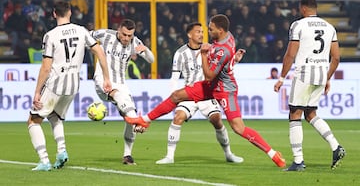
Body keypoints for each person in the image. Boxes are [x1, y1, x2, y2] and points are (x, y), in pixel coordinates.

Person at [125, 14, 286, 168]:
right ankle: (144, 120)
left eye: (211, 29)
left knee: (238, 128)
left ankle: (272, 153)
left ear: (220, 30)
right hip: (211, 86)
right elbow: (221, 67)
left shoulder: (223, 50)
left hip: (224, 90)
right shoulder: (228, 36)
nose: (208, 32)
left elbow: (208, 75)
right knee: (176, 96)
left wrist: (203, 54)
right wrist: (234, 60)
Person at [27, 0, 111, 171]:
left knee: (33, 121)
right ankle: (61, 152)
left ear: (54, 14)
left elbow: (46, 67)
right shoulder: (82, 30)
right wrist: (107, 78)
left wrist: (37, 92)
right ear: (70, 12)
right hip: (73, 84)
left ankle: (44, 161)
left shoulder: (51, 35)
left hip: (56, 83)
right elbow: (100, 52)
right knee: (55, 117)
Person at [274, 0, 346, 171]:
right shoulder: (329, 27)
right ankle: (336, 146)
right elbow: (336, 58)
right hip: (321, 74)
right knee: (310, 113)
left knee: (295, 113)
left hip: (304, 73)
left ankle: (298, 161)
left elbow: (290, 54)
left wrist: (282, 78)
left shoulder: (298, 25)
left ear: (303, 8)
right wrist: (327, 77)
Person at [156, 22, 243, 164]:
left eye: (203, 31)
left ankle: (229, 154)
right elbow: (174, 78)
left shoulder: (211, 48)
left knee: (217, 120)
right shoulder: (180, 53)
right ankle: (169, 156)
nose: (202, 34)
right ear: (189, 35)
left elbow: (222, 67)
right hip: (189, 94)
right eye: (198, 32)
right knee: (178, 118)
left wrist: (235, 61)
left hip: (207, 93)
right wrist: (174, 97)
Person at [90, 19, 154, 165]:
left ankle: (127, 155)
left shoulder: (134, 42)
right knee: (119, 97)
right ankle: (136, 122)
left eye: (129, 36)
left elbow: (151, 60)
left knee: (131, 114)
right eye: (124, 34)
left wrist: (145, 50)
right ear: (118, 30)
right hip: (102, 79)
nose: (126, 38)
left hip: (121, 83)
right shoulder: (105, 35)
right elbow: (85, 36)